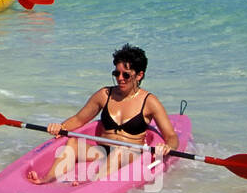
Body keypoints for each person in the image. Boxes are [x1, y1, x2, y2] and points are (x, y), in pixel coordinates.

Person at [28, 44, 179, 184]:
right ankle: (47, 179)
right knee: (73, 142)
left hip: (130, 155)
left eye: (125, 75)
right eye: (116, 73)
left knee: (119, 152)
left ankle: (91, 185)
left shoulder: (149, 101)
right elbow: (79, 119)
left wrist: (166, 147)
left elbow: (171, 136)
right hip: (102, 151)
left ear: (139, 75)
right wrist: (60, 127)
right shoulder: (104, 95)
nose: (120, 78)